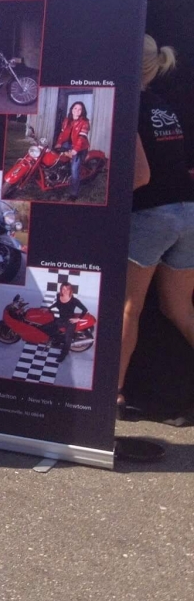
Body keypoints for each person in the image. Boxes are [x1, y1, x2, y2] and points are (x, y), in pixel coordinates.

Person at [120, 35, 194, 413]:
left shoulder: (126, 106)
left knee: (128, 307)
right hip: (188, 212)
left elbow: (139, 175)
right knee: (179, 308)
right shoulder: (165, 107)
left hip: (152, 214)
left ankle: (110, 397)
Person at [41, 282, 88, 364]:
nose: (65, 291)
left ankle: (63, 354)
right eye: (63, 289)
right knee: (44, 327)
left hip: (70, 321)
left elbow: (85, 309)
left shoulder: (74, 300)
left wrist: (78, 319)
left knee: (67, 339)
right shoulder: (59, 296)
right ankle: (58, 339)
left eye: (67, 289)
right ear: (61, 289)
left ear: (70, 290)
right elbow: (57, 304)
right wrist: (48, 309)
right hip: (61, 319)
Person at [54, 101, 90, 201]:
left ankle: (74, 194)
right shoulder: (67, 120)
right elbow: (62, 134)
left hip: (80, 147)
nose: (77, 111)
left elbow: (82, 138)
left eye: (79, 109)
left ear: (82, 111)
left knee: (75, 170)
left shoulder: (85, 122)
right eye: (75, 108)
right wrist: (59, 143)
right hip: (68, 144)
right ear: (71, 109)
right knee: (56, 157)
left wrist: (75, 150)